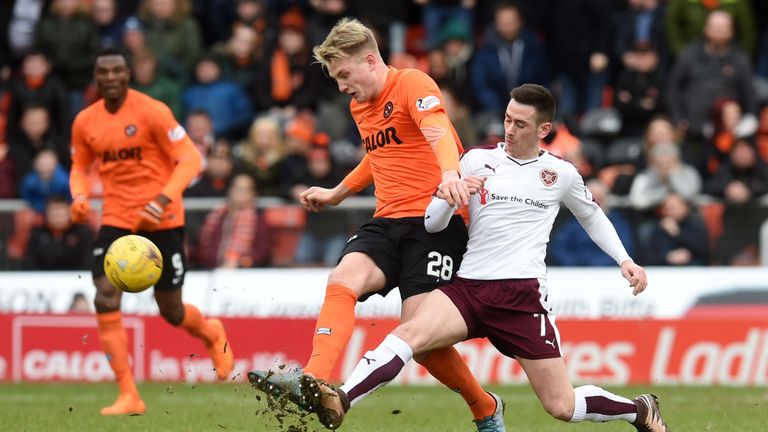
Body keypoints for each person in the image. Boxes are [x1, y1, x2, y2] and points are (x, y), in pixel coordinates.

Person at [292, 84, 670, 432]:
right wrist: (447, 197)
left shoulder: (561, 173)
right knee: (408, 336)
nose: (509, 129)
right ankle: (340, 399)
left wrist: (625, 259)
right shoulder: (474, 161)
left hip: (522, 297)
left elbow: (592, 216)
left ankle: (639, 410)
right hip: (469, 288)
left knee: (561, 405)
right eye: (507, 119)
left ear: (543, 129)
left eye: (520, 124)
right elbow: (433, 223)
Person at [249, 18, 503, 431]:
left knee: (421, 341)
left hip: (436, 222)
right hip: (386, 219)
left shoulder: (412, 83)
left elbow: (436, 130)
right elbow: (378, 154)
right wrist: (337, 193)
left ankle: (484, 406)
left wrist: (450, 175)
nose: (341, 86)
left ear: (369, 60)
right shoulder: (359, 105)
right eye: (334, 78)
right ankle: (314, 378)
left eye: (344, 74)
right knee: (342, 279)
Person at [69, 47, 233, 416]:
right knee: (105, 295)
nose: (110, 78)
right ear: (96, 78)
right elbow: (79, 166)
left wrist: (162, 199)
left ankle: (210, 332)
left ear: (128, 75)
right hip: (117, 219)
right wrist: (79, 195)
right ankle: (129, 394)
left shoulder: (152, 111)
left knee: (171, 311)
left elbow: (191, 157)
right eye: (103, 72)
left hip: (163, 219)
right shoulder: (85, 122)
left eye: (117, 71)